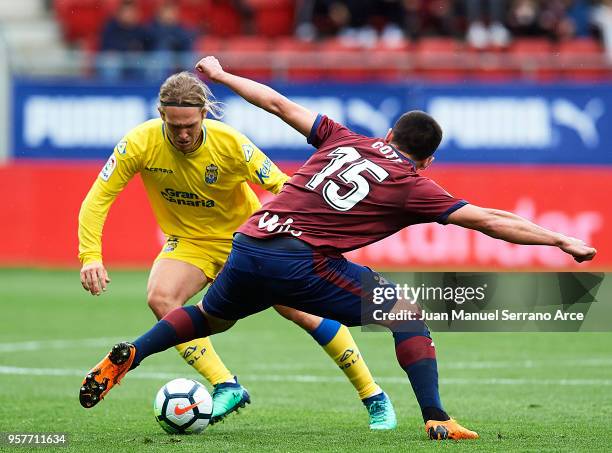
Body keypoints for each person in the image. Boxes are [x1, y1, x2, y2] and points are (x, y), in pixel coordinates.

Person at [79, 58, 597, 440]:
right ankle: (436, 418)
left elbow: (277, 103)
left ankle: (133, 354)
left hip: (249, 239)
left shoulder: (342, 138)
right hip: (298, 259)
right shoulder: (412, 182)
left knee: (207, 320)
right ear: (429, 160)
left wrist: (221, 75)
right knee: (408, 315)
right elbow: (487, 219)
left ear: (389, 132)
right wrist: (559, 239)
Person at [77, 71, 397, 429]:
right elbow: (97, 199)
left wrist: (310, 235)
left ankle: (374, 396)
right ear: (161, 116)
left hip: (250, 243)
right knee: (161, 296)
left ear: (203, 115)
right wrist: (91, 255)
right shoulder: (139, 142)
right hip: (191, 243)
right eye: (173, 125)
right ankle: (225, 385)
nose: (182, 134)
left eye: (189, 125)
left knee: (302, 314)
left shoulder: (231, 143)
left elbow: (281, 184)